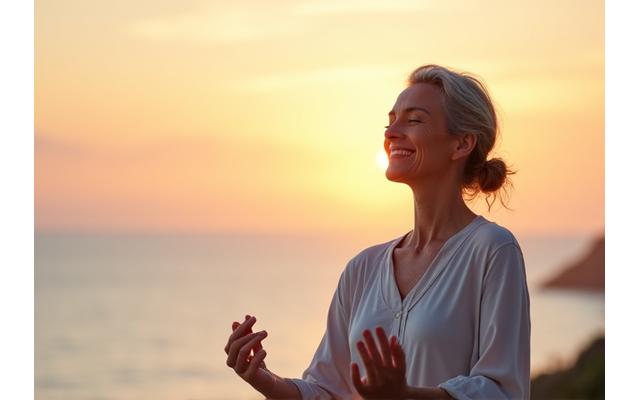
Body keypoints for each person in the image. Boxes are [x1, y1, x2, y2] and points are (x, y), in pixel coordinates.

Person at [224, 64, 531, 399]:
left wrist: (403, 394)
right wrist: (267, 382)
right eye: (390, 121)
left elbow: (502, 390)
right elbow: (328, 389)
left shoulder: (492, 250)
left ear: (462, 144)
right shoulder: (363, 269)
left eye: (413, 120)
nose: (391, 132)